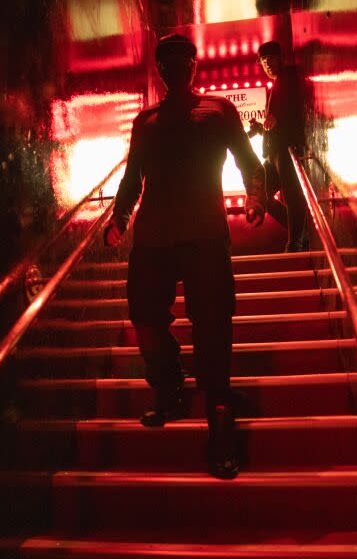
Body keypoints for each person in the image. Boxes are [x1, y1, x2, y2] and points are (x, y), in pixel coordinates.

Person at [104, 33, 266, 479]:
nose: (178, 68)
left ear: (194, 67)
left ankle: (218, 414)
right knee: (145, 318)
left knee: (212, 321)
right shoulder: (145, 121)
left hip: (203, 235)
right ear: (161, 71)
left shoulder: (219, 111)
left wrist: (255, 197)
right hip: (155, 236)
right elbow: (132, 179)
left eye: (184, 60)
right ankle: (171, 386)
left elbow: (251, 163)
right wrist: (119, 218)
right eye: (168, 62)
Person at [248, 40, 309, 252]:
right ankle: (300, 235)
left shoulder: (288, 78)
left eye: (271, 58)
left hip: (286, 149)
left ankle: (296, 241)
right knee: (263, 195)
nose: (267, 63)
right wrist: (261, 128)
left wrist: (278, 119)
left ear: (280, 58)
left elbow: (292, 109)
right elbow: (278, 119)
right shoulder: (278, 84)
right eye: (263, 60)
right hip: (274, 151)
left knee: (292, 195)